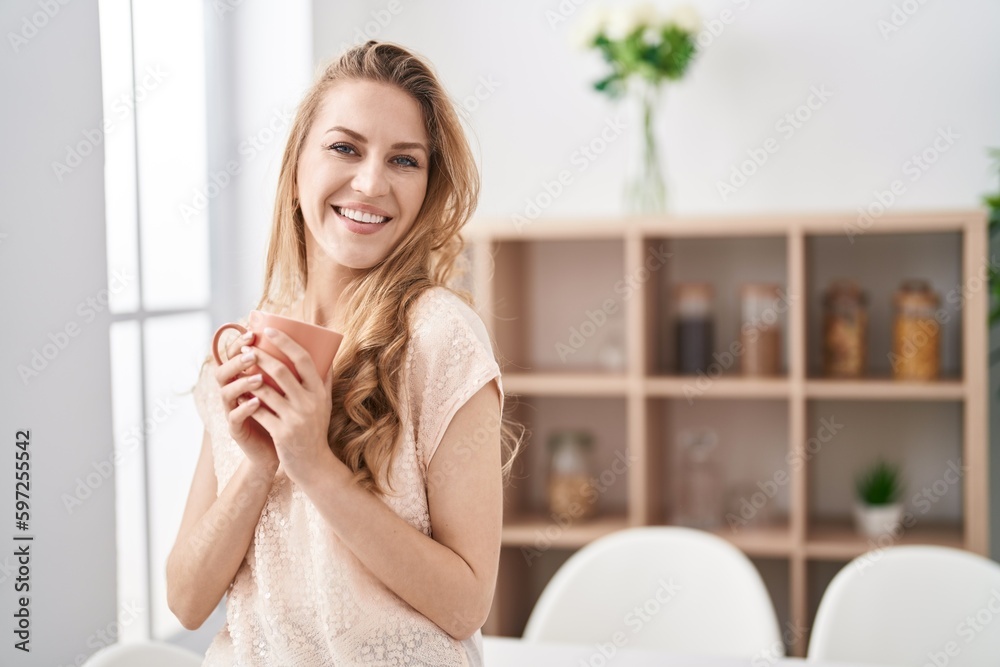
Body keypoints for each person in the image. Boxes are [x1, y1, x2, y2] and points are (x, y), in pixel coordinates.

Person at [166, 41, 519, 666]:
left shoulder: (440, 338)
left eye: (404, 161)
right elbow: (188, 600)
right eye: (344, 147)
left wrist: (313, 465)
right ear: (297, 163)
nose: (371, 182)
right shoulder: (247, 345)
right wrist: (257, 466)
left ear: (427, 187)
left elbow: (466, 604)